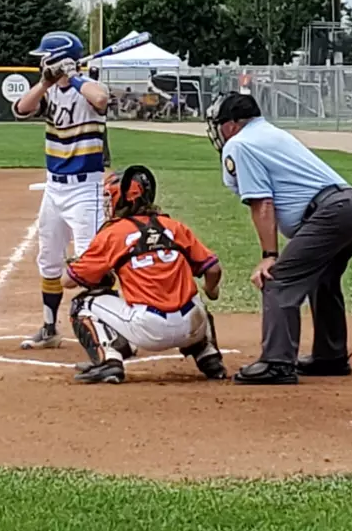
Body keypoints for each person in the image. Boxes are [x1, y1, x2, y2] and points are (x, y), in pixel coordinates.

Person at [205, 92, 352, 385]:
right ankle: (330, 356)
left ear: (232, 124)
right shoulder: (268, 132)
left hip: (331, 212)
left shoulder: (240, 144)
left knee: (278, 279)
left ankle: (277, 362)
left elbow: (262, 203)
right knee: (323, 279)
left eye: (219, 123)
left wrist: (269, 256)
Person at [61, 165, 227, 384]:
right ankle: (208, 356)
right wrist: (211, 290)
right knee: (194, 298)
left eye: (110, 197)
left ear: (123, 199)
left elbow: (69, 281)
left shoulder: (114, 233)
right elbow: (213, 269)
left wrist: (85, 268)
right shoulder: (174, 226)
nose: (108, 203)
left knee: (82, 304)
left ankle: (108, 362)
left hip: (149, 329)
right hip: (192, 327)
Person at [13, 31, 110, 350]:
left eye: (46, 57)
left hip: (86, 189)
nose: (42, 61)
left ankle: (107, 333)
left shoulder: (88, 88)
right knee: (49, 258)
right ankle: (49, 327)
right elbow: (21, 109)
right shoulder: (48, 92)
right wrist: (45, 81)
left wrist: (73, 75)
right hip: (54, 188)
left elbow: (102, 100)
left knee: (90, 262)